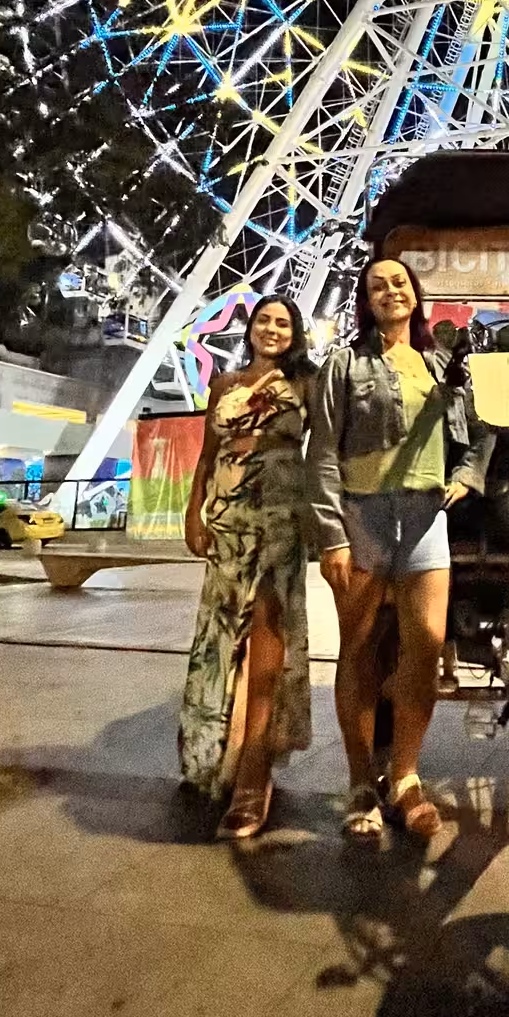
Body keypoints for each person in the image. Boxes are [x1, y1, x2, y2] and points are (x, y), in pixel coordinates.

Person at [308, 257, 493, 845]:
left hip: (424, 517)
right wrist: (332, 535)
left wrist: (468, 472)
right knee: (358, 651)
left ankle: (405, 774)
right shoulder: (343, 364)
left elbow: (480, 426)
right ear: (365, 299)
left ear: (415, 294)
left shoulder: (442, 364)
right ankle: (362, 782)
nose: (390, 291)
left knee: (425, 649)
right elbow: (322, 453)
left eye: (399, 283)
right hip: (363, 516)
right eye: (377, 285)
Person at [180, 295, 317, 839]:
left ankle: (254, 772)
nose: (273, 329)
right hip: (228, 517)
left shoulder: (307, 385)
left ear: (295, 333)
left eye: (284, 322)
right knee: (218, 639)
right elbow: (208, 455)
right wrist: (195, 510)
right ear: (250, 327)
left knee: (267, 638)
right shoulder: (225, 384)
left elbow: (323, 449)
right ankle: (216, 752)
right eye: (264, 320)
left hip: (280, 518)